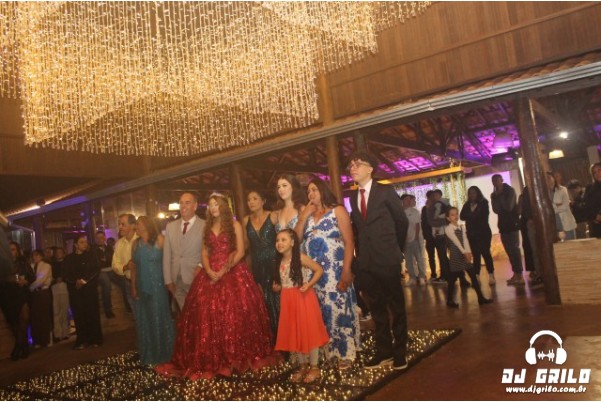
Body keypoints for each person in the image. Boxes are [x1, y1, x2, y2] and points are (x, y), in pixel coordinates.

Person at [157, 193, 276, 380]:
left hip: (233, 271)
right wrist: (209, 270)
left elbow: (240, 251)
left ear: (223, 206)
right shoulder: (207, 227)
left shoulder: (235, 225)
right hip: (210, 272)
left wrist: (224, 271)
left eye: (216, 204)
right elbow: (204, 253)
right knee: (205, 314)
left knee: (235, 313)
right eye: (210, 205)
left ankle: (236, 356)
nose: (213, 208)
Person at [347, 152, 409, 370]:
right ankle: (384, 352)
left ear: (370, 169)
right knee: (377, 308)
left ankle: (400, 352)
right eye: (351, 165)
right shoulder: (353, 197)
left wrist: (395, 250)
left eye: (358, 164)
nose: (353, 168)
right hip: (366, 261)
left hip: (387, 257)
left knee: (396, 307)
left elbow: (401, 222)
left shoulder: (385, 191)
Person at [295, 177, 360, 369]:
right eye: (308, 191)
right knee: (320, 312)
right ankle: (328, 353)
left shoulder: (337, 210)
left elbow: (349, 242)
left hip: (335, 270)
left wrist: (347, 270)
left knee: (338, 309)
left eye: (314, 189)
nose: (311, 194)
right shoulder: (307, 215)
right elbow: (295, 240)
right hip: (313, 274)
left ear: (323, 190)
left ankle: (345, 352)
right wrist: (303, 216)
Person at [272, 229, 329, 383]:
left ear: (292, 242)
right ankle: (303, 365)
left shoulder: (300, 257)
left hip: (302, 298)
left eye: (283, 239)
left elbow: (319, 270)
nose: (279, 243)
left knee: (309, 330)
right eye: (277, 240)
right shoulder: (279, 261)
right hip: (287, 300)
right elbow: (283, 281)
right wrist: (277, 287)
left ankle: (314, 366)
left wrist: (309, 284)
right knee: (294, 331)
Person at [129, 216, 175, 366]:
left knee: (159, 317)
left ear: (147, 224)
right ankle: (149, 354)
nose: (136, 226)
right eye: (136, 224)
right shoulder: (135, 244)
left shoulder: (160, 240)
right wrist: (133, 287)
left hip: (157, 286)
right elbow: (133, 267)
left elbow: (169, 262)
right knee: (145, 320)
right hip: (141, 286)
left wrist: (170, 282)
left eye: (138, 223)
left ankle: (165, 354)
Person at [243, 189, 280, 336]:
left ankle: (283, 337)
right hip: (257, 264)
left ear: (263, 201)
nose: (251, 202)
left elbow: (283, 239)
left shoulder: (273, 216)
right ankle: (270, 338)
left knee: (277, 299)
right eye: (249, 199)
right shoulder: (245, 220)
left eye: (255, 198)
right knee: (263, 301)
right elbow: (245, 246)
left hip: (274, 262)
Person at [163, 192, 205, 309]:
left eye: (187, 203)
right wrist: (168, 280)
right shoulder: (170, 227)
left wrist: (201, 265)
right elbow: (167, 255)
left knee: (198, 312)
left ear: (195, 206)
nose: (183, 206)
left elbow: (210, 251)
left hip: (196, 278)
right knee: (183, 313)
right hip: (176, 280)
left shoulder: (205, 225)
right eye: (181, 203)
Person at [444, 207, 493, 308]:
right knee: (452, 279)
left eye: (456, 214)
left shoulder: (462, 227)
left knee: (473, 276)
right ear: (448, 218)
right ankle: (449, 300)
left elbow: (465, 240)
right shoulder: (448, 228)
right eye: (452, 215)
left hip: (464, 253)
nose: (455, 216)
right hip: (456, 255)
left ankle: (480, 298)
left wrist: (468, 252)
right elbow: (456, 241)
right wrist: (464, 252)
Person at [64, 234, 103, 349]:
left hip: (89, 289)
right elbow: (65, 274)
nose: (85, 244)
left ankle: (95, 339)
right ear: (75, 245)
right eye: (81, 242)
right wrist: (75, 281)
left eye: (85, 242)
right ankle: (82, 340)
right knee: (79, 315)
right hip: (75, 291)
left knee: (92, 313)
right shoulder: (69, 258)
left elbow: (96, 270)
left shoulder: (91, 255)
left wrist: (84, 280)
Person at [1, 241, 34, 360]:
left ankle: (17, 347)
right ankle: (24, 347)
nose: (11, 252)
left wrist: (26, 281)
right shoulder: (3, 264)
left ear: (18, 251)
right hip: (7, 294)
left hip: (22, 293)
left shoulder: (23, 263)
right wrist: (9, 279)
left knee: (24, 318)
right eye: (9, 249)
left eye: (13, 249)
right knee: (14, 322)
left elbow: (32, 277)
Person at [490, 174, 524, 285]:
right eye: (493, 181)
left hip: (512, 223)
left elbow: (509, 207)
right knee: (509, 250)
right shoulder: (493, 194)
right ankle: (515, 273)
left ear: (501, 180)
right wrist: (499, 202)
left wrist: (499, 199)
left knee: (515, 249)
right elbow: (495, 210)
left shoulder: (510, 190)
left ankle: (520, 274)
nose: (495, 182)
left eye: (497, 180)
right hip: (503, 225)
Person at [460, 186, 496, 285]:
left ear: (478, 193)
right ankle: (476, 275)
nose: (472, 195)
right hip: (472, 234)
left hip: (483, 233)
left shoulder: (483, 203)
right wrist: (472, 216)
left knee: (486, 253)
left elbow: (483, 217)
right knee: (476, 255)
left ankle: (491, 274)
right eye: (470, 193)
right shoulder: (467, 204)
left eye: (474, 193)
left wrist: (470, 216)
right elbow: (462, 216)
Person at [112, 214, 138, 314]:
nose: (120, 227)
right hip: (128, 282)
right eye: (119, 224)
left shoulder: (141, 240)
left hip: (143, 281)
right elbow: (114, 265)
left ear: (133, 225)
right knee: (136, 313)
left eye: (123, 224)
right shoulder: (119, 243)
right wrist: (126, 267)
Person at [400, 194, 426, 286]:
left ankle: (421, 276)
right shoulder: (399, 212)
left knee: (419, 258)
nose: (408, 201)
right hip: (404, 240)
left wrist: (416, 237)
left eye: (409, 199)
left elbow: (417, 225)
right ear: (402, 201)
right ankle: (412, 277)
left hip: (414, 238)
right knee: (408, 260)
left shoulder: (414, 211)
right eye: (406, 199)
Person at [29, 249, 53, 348]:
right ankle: (37, 340)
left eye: (37, 255)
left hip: (42, 292)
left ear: (41, 256)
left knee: (44, 316)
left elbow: (41, 280)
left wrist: (30, 287)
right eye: (33, 255)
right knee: (35, 317)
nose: (34, 257)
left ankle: (46, 340)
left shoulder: (46, 266)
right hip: (34, 294)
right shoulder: (31, 266)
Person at [547, 172, 577, 240]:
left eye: (549, 178)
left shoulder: (563, 189)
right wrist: (557, 205)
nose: (547, 180)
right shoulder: (544, 193)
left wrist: (552, 207)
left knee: (571, 243)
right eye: (545, 178)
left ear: (553, 178)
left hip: (566, 222)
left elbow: (565, 206)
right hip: (554, 224)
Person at [93, 231, 115, 318]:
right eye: (97, 238)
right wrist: (103, 262)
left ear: (105, 238)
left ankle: (128, 306)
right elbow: (95, 264)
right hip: (100, 272)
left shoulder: (109, 248)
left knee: (123, 281)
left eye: (101, 237)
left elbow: (113, 260)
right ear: (95, 239)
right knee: (107, 284)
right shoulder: (93, 250)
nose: (99, 239)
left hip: (111, 270)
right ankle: (108, 309)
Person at [576, 163, 601, 238]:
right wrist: (595, 216)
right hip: (597, 225)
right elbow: (586, 207)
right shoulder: (590, 188)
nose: (597, 174)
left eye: (599, 170)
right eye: (594, 172)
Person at [51, 247, 70, 342]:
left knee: (64, 310)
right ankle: (57, 334)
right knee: (56, 311)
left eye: (60, 252)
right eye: (57, 252)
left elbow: (70, 274)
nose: (58, 254)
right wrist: (55, 280)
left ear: (63, 253)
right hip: (55, 287)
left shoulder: (67, 263)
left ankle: (65, 332)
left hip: (64, 286)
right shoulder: (52, 264)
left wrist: (63, 278)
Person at [421, 191, 439, 283]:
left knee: (442, 256)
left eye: (433, 196)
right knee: (431, 257)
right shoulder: (424, 208)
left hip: (439, 236)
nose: (432, 198)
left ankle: (444, 274)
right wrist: (425, 235)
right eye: (430, 197)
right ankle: (433, 274)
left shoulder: (438, 207)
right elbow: (423, 222)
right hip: (429, 236)